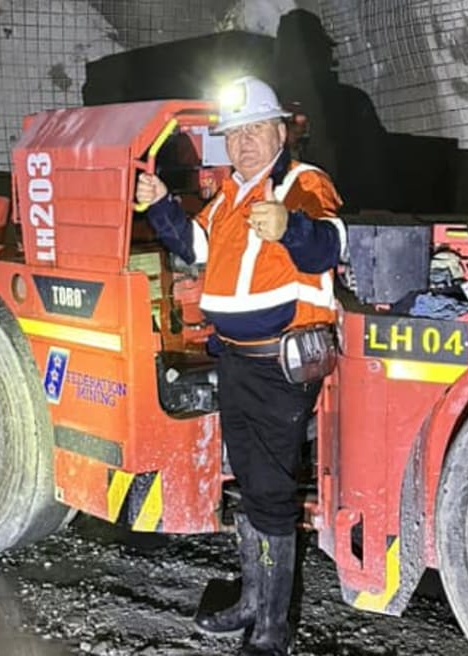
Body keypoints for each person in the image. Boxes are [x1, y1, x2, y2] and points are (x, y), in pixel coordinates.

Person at [136, 75, 346, 656]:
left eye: (255, 130)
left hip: (279, 366)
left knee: (271, 491)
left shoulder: (303, 183)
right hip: (234, 359)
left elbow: (328, 244)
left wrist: (289, 226)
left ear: (280, 131)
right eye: (234, 133)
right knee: (251, 486)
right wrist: (161, 204)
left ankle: (273, 630)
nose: (243, 142)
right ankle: (252, 603)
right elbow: (194, 248)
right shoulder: (229, 194)